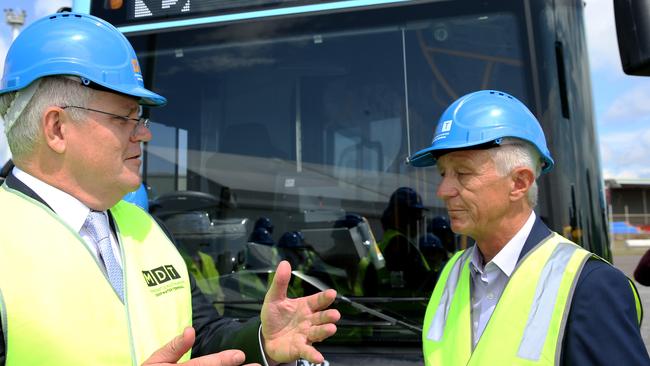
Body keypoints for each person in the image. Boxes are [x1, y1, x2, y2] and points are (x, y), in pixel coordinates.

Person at [0, 12, 339, 366]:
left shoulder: (146, 228)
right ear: (56, 128)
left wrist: (261, 339)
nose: (144, 133)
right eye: (123, 117)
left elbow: (200, 334)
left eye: (140, 118)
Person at [407, 90, 648, 365]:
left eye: (462, 173)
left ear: (519, 183)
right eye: (442, 174)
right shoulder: (452, 272)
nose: (443, 190)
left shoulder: (591, 286)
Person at [376, 187, 434, 296]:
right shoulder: (399, 244)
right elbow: (419, 280)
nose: (419, 221)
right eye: (416, 215)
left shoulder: (391, 239)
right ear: (401, 215)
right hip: (408, 310)